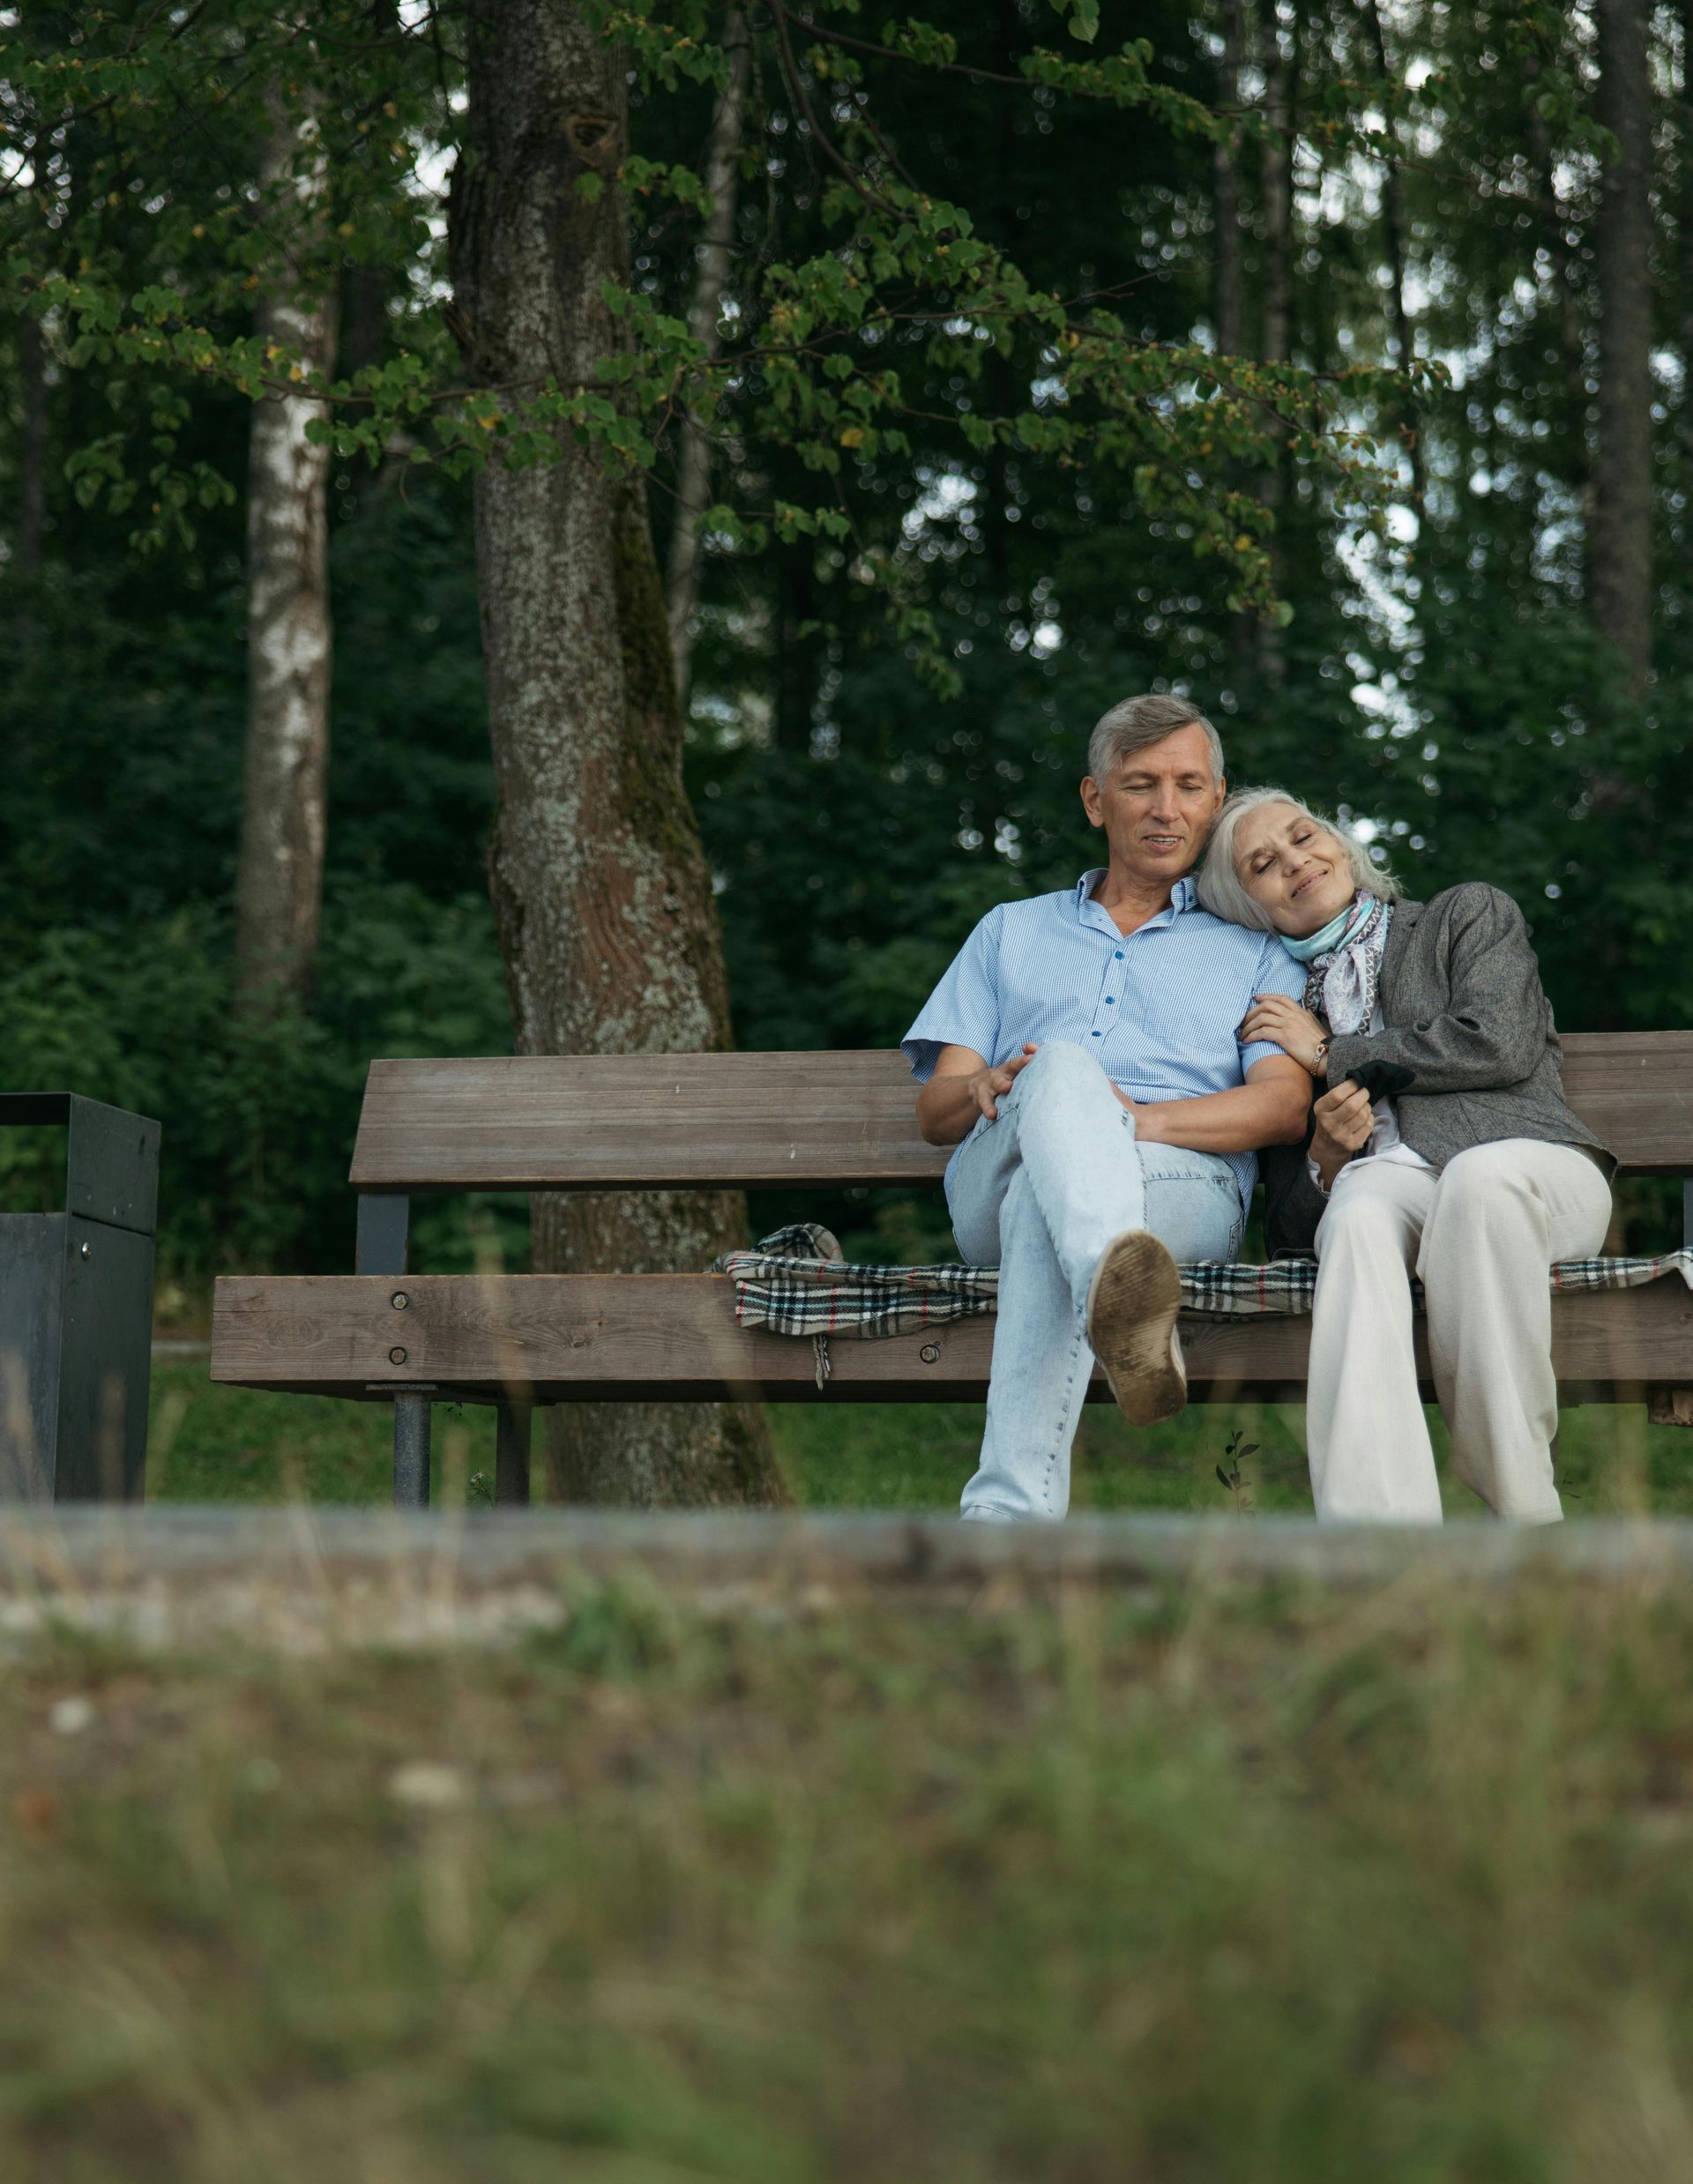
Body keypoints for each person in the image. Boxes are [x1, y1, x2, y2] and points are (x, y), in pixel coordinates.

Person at [901, 697, 1312, 1523]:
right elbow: (937, 1111)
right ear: (1096, 801)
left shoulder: (1258, 944)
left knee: (1039, 1207)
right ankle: (1117, 1291)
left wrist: (1131, 1121)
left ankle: (1005, 1523)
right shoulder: (1010, 931)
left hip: (1180, 1188)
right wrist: (980, 1087)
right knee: (1058, 1068)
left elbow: (1281, 1106)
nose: (1167, 808)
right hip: (1000, 1161)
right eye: (1141, 785)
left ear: (1216, 798)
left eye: (1189, 785)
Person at [1197, 786, 1615, 1524]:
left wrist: (1333, 1051)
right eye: (1264, 864)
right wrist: (1326, 1151)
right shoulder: (1280, 1011)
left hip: (1533, 1172)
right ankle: (1379, 1538)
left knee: (1480, 1181)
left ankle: (1525, 1517)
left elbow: (1498, 1040)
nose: (1296, 861)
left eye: (1303, 836)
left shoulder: (1465, 915)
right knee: (1356, 1213)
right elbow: (1293, 1237)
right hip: (1397, 1189)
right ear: (1250, 910)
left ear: (1339, 842)